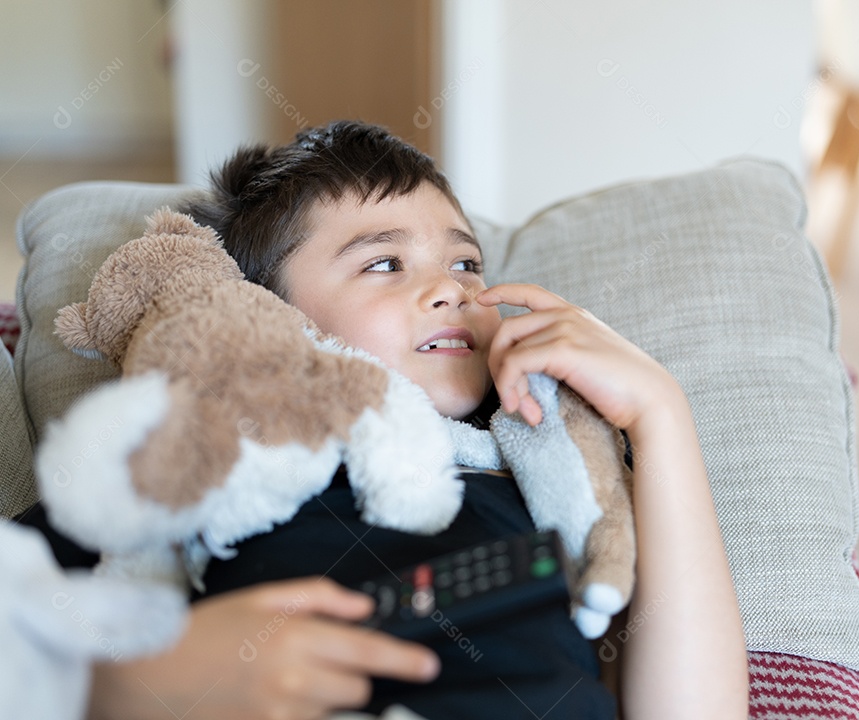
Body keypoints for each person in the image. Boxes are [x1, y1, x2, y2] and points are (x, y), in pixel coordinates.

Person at [87, 120, 749, 719]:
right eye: (384, 263)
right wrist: (136, 683)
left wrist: (660, 414)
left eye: (466, 263)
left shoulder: (552, 473)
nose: (452, 289)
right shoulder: (224, 457)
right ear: (268, 315)